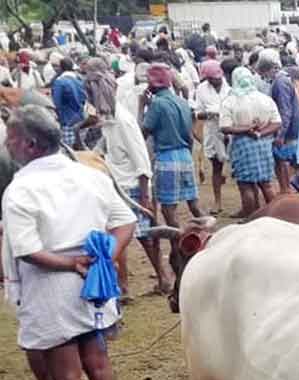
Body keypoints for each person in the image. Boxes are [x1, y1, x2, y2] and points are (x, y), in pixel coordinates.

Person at [2, 105, 136, 380]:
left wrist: (72, 264)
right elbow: (125, 222)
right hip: (94, 282)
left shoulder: (21, 189)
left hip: (52, 287)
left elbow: (27, 250)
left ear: (29, 143)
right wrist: (103, 256)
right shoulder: (87, 175)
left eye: (10, 138)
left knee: (66, 377)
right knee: (98, 364)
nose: (7, 144)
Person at [84, 58, 172, 296]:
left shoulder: (123, 121)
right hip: (115, 185)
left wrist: (144, 197)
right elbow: (104, 148)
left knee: (144, 237)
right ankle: (124, 285)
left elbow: (142, 161)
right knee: (117, 234)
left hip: (132, 187)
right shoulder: (109, 120)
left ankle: (162, 278)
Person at [142, 63, 203, 228]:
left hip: (166, 157)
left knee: (169, 210)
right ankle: (208, 233)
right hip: (185, 156)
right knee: (194, 205)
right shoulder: (182, 102)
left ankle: (177, 249)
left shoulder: (157, 104)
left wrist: (142, 105)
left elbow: (143, 132)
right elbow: (190, 137)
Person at [220, 66, 282, 217]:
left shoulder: (230, 101)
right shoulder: (265, 99)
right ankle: (274, 216)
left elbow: (225, 127)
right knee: (266, 183)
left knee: (245, 185)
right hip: (263, 144)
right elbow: (277, 123)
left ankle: (251, 217)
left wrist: (246, 129)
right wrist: (260, 133)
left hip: (243, 144)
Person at [258, 58, 299, 195]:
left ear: (268, 70)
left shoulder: (280, 82)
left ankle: (286, 190)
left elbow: (285, 110)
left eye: (263, 74)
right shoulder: (282, 80)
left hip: (288, 128)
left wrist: (280, 134)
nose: (263, 78)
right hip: (290, 126)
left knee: (281, 159)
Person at [195, 59, 230, 214]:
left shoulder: (230, 87)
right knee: (216, 167)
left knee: (240, 169)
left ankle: (248, 204)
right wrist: (209, 114)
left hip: (231, 130)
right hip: (212, 130)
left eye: (216, 78)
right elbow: (198, 113)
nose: (214, 81)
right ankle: (218, 202)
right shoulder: (202, 89)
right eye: (211, 79)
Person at [51, 58, 85, 148]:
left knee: (69, 149)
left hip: (67, 119)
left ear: (61, 68)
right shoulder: (79, 79)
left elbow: (56, 103)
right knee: (82, 146)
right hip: (81, 118)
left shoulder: (59, 82)